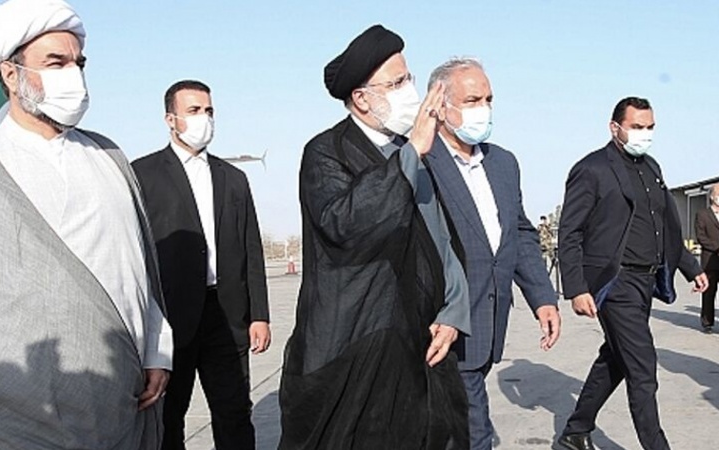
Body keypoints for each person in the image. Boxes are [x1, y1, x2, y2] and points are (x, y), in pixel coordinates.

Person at [0, 0, 173, 449]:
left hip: (118, 400)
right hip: (9, 413)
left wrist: (157, 350)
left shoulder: (108, 156)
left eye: (79, 63)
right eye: (56, 63)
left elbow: (139, 270)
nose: (73, 74)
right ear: (10, 74)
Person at [278, 25, 471, 449]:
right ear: (362, 99)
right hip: (356, 348)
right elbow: (344, 223)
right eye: (397, 83)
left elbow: (441, 239)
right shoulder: (327, 152)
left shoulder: (417, 151)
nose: (410, 91)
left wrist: (454, 312)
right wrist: (410, 154)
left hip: (423, 347)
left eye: (409, 78)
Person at [423, 57, 561, 450]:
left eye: (488, 99)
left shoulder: (502, 163)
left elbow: (518, 233)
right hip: (443, 325)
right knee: (474, 431)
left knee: (454, 428)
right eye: (472, 100)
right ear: (440, 105)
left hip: (489, 318)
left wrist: (542, 297)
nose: (483, 109)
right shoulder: (420, 161)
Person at [556, 97, 708, 450]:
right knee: (643, 368)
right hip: (615, 282)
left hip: (645, 281)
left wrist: (689, 266)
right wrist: (576, 288)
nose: (645, 134)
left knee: (615, 357)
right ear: (615, 128)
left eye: (650, 127)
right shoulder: (592, 169)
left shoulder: (651, 168)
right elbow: (570, 231)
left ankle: (575, 431)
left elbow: (664, 225)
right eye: (637, 127)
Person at [132, 80, 270, 450]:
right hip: (169, 318)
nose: (203, 118)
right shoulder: (142, 175)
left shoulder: (233, 179)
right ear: (170, 119)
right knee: (168, 418)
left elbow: (250, 248)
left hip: (226, 316)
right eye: (193, 111)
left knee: (234, 414)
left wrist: (259, 314)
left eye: (208, 111)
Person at [695, 184, 719, 333]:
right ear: (712, 196)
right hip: (710, 260)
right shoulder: (702, 214)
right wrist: (717, 247)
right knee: (709, 293)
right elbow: (701, 237)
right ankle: (707, 322)